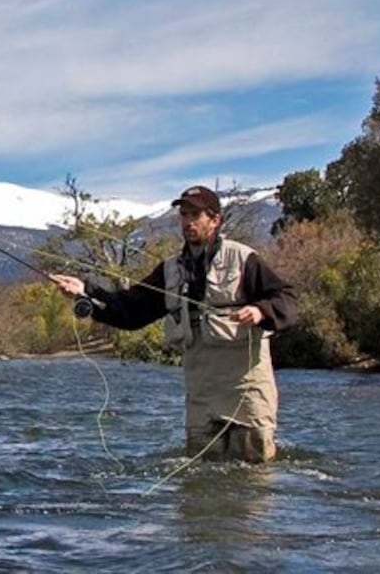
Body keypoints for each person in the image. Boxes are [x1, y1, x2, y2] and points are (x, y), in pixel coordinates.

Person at [51, 185, 298, 463]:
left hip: (247, 389)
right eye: (184, 215)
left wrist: (261, 310)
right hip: (201, 396)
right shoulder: (169, 270)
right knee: (202, 483)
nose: (188, 221)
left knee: (254, 478)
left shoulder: (243, 259)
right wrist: (86, 290)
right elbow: (130, 311)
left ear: (215, 220)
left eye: (195, 214)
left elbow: (287, 299)